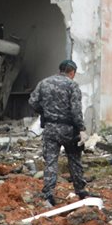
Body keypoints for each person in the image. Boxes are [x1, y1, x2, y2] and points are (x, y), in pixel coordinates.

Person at [28, 59, 87, 205]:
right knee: (74, 160)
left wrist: (45, 112)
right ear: (72, 72)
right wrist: (82, 129)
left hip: (50, 128)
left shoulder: (44, 83)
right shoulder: (72, 85)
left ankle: (48, 194)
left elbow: (33, 102)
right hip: (69, 129)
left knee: (51, 161)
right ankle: (81, 191)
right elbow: (76, 110)